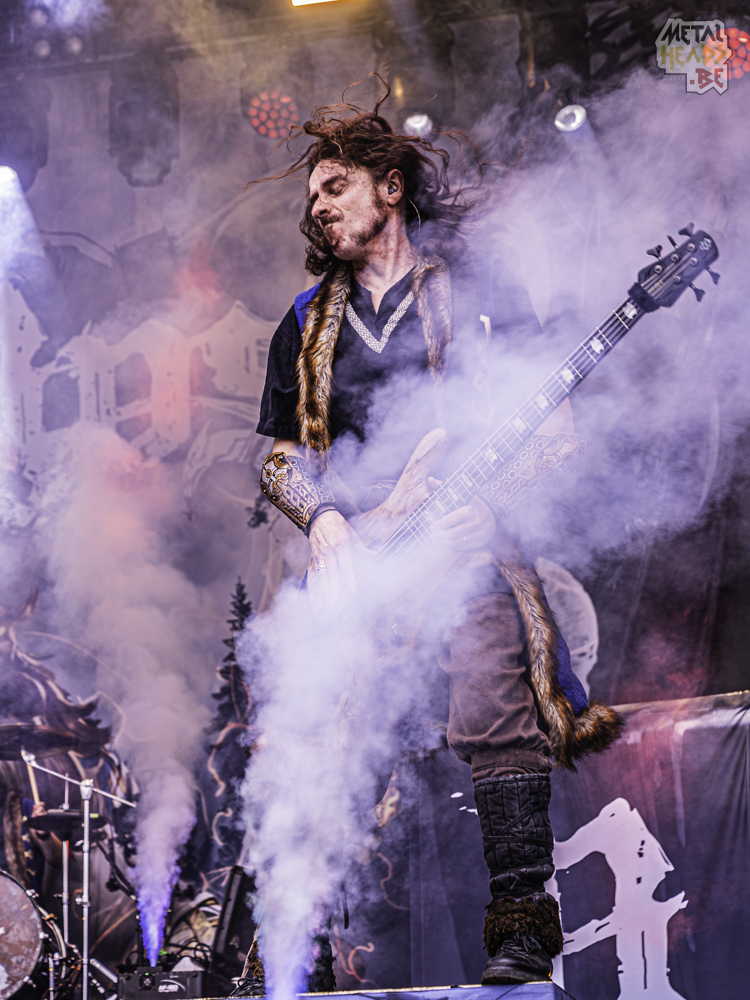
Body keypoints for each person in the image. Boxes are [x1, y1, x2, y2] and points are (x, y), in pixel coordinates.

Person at [251, 87, 624, 988]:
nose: (318, 206)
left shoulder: (481, 291)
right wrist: (326, 518)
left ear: (389, 186)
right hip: (369, 562)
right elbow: (279, 463)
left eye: (334, 186)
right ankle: (317, 946)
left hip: (465, 552)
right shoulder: (304, 323)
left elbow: (556, 431)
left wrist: (496, 509)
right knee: (327, 739)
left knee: (494, 703)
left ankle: (522, 929)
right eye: (311, 198)